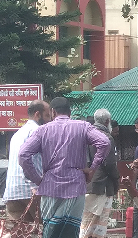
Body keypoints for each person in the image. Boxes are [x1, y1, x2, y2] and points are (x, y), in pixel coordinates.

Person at [19, 97, 111, 238]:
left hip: (50, 186)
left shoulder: (42, 130)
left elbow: (23, 154)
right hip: (76, 185)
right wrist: (92, 168)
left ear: (53, 112)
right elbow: (104, 143)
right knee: (71, 231)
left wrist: (37, 179)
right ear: (70, 112)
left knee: (50, 231)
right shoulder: (83, 126)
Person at [3, 100, 51, 221]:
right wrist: (36, 184)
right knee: (44, 227)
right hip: (30, 190)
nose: (49, 120)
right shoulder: (37, 131)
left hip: (12, 191)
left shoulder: (18, 133)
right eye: (47, 116)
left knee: (17, 232)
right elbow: (32, 159)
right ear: (37, 114)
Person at [80, 109, 120, 238]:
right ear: (108, 121)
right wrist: (116, 180)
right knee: (94, 227)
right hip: (101, 186)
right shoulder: (107, 137)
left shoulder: (85, 136)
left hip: (86, 184)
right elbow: (110, 164)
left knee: (85, 223)